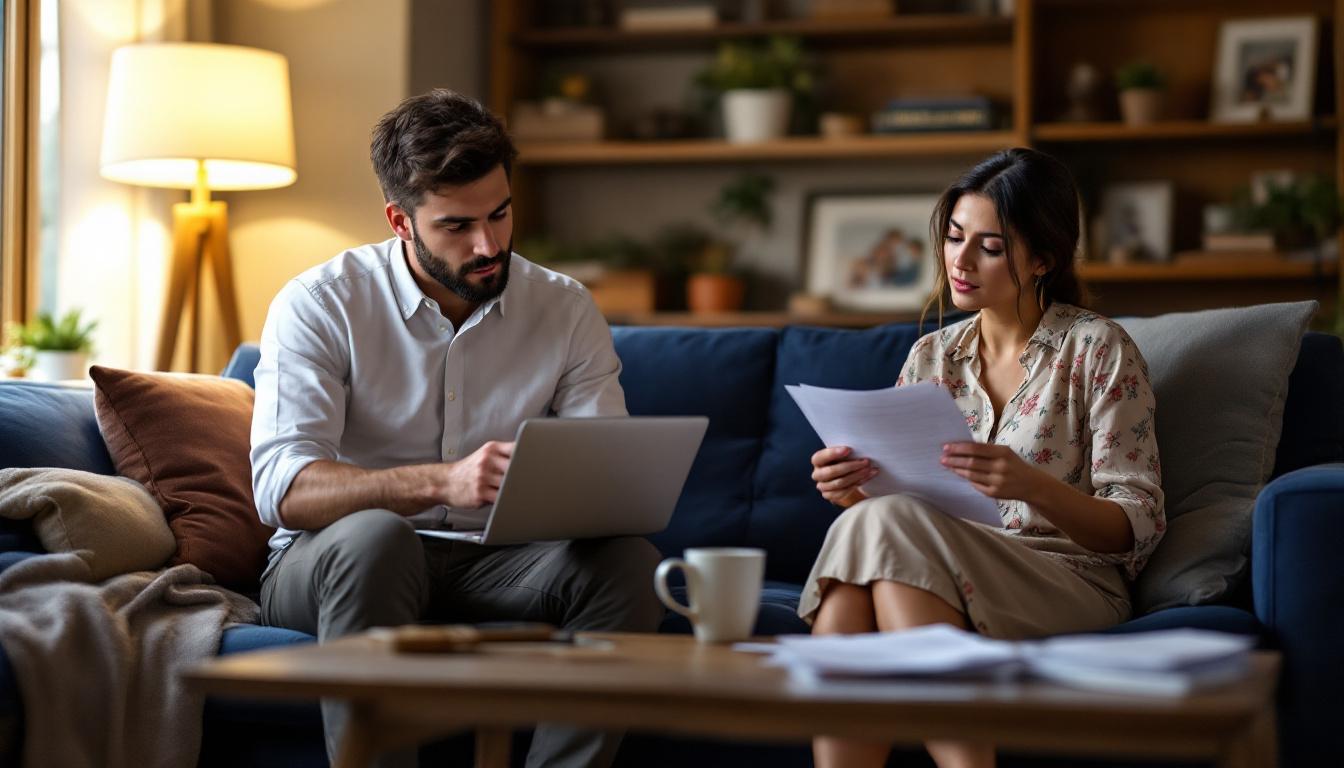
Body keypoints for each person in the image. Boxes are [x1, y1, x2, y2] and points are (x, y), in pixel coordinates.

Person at [250, 89, 665, 768]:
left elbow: (606, 464)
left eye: (500, 214)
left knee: (629, 565)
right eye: (456, 226)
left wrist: (593, 489)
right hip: (334, 563)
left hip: (495, 558)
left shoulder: (563, 308)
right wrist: (440, 481)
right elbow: (283, 489)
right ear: (399, 220)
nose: (488, 244)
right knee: (379, 539)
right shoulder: (320, 303)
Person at [803, 148, 1165, 768]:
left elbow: (1137, 527)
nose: (959, 262)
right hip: (935, 567)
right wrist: (854, 490)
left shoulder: (1096, 349)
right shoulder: (930, 358)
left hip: (1068, 580)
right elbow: (901, 511)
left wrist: (1034, 485)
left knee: (873, 534)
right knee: (864, 522)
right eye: (952, 237)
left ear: (1043, 259)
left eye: (989, 248)